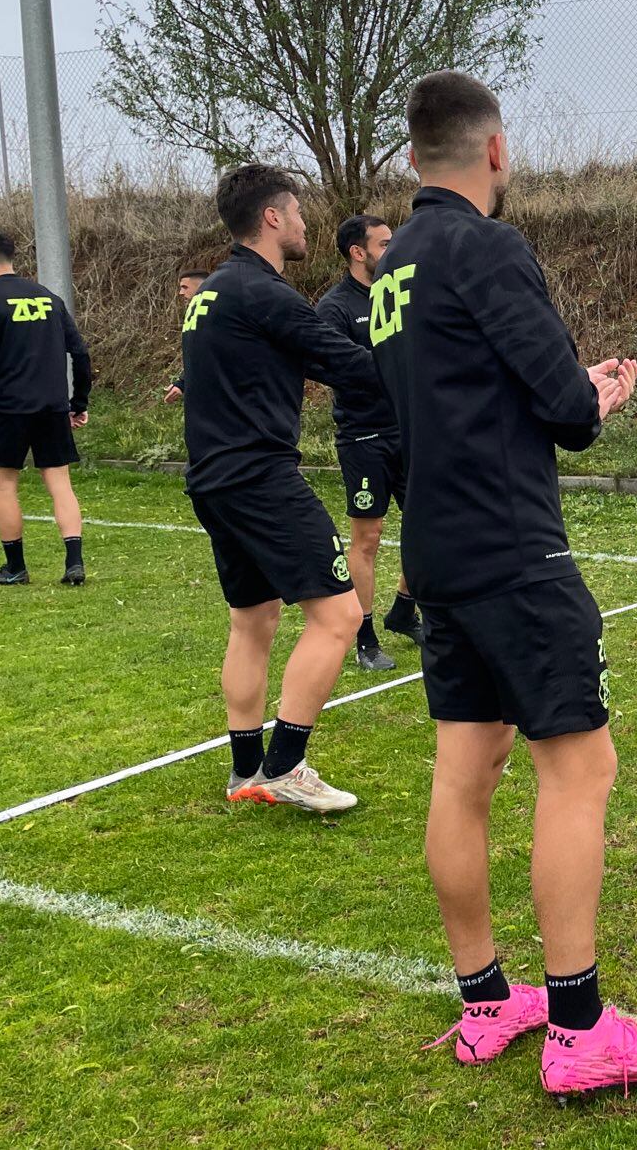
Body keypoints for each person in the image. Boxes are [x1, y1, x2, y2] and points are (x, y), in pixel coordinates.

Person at [377, 70, 637, 1096]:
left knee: (461, 779)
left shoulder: (393, 269)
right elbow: (561, 409)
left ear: (412, 157)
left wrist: (563, 397)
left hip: (435, 552)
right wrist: (593, 393)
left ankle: (487, 1001)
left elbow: (459, 398)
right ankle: (577, 1027)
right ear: (496, 151)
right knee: (579, 770)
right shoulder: (485, 244)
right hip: (512, 550)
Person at [182, 164, 382, 815]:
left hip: (213, 478)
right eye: (296, 212)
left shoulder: (213, 291)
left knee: (254, 619)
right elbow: (347, 365)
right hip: (258, 476)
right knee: (340, 615)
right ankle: (286, 763)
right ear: (271, 217)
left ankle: (245, 773)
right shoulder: (262, 291)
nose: (303, 224)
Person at [315, 214, 419, 672]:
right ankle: (365, 637)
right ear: (359, 252)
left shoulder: (397, 292)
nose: (392, 249)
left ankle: (403, 610)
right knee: (368, 537)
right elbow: (327, 365)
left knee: (431, 524)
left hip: (410, 429)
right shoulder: (335, 307)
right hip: (363, 437)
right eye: (384, 243)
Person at [0, 230, 92, 586]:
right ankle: (74, 563)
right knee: (60, 482)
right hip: (52, 405)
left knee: (5, 485)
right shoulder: (48, 297)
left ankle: (15, 567)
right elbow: (79, 353)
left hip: (9, 406)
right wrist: (78, 402)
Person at [162, 270, 209, 404]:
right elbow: (197, 353)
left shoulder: (218, 310)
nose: (181, 293)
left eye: (185, 287)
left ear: (201, 286)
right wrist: (182, 383)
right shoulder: (194, 311)